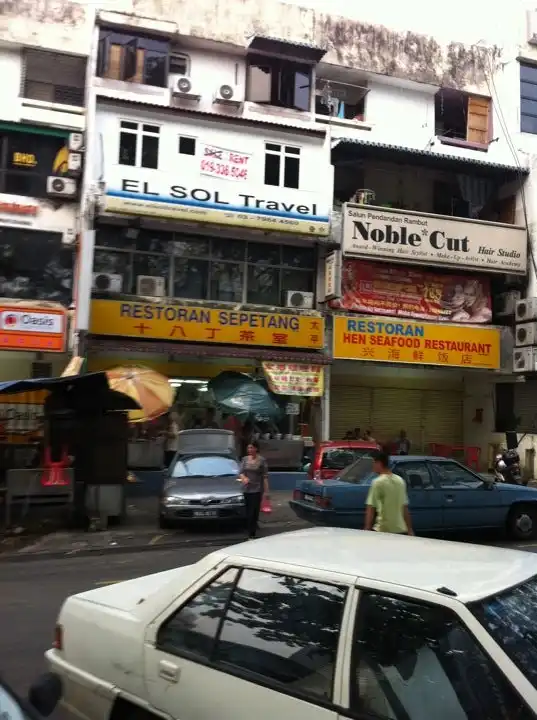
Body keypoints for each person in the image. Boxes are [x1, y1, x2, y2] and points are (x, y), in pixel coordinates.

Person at [365, 448, 414, 535]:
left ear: (379, 463)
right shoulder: (400, 480)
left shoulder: (377, 482)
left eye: (373, 463)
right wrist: (409, 529)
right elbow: (404, 508)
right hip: (401, 530)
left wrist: (367, 529)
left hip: (383, 530)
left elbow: (371, 509)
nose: (372, 466)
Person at [239, 441, 270, 539]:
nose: (250, 450)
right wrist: (244, 478)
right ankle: (249, 530)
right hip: (246, 488)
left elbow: (265, 476)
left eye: (252, 448)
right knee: (248, 511)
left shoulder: (261, 460)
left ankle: (252, 533)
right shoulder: (244, 459)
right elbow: (241, 472)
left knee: (254, 511)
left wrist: (267, 491)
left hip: (257, 489)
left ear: (256, 448)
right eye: (248, 448)